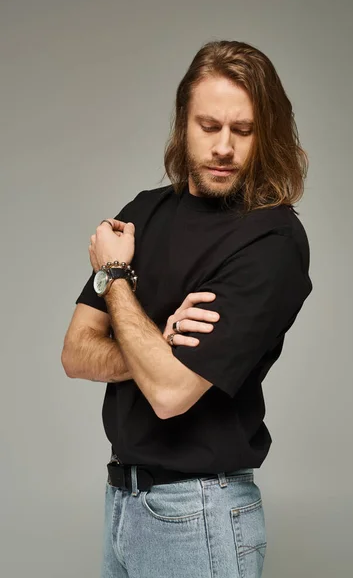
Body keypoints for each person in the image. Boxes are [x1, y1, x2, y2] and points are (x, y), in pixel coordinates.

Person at [61, 40, 313, 578]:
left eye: (242, 131)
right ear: (183, 124)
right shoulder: (144, 212)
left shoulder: (272, 241)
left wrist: (118, 277)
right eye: (209, 126)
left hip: (199, 513)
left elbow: (171, 393)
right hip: (121, 504)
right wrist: (160, 346)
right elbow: (75, 352)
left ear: (266, 135)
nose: (224, 146)